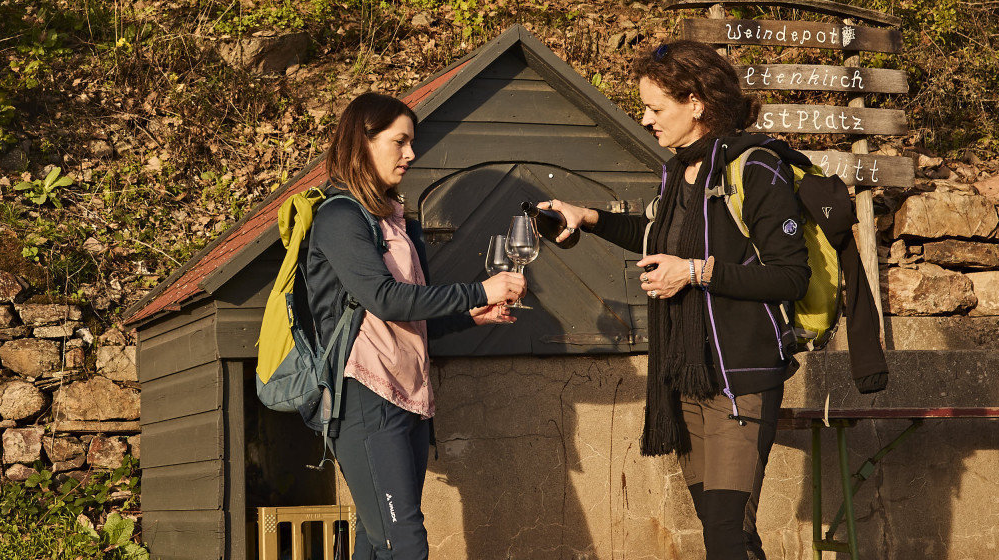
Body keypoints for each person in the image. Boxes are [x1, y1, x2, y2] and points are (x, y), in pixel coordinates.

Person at [537, 40, 812, 559]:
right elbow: (655, 236)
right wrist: (587, 217)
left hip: (740, 378)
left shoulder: (755, 169)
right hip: (687, 373)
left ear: (697, 103)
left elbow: (789, 277)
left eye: (656, 108)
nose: (645, 120)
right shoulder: (679, 171)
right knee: (721, 529)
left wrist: (694, 272)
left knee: (727, 535)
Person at [305, 91, 526, 560]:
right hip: (365, 395)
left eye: (412, 143)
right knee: (402, 542)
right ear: (363, 141)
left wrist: (469, 314)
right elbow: (384, 299)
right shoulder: (340, 216)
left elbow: (411, 318)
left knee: (375, 537)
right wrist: (479, 291)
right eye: (400, 141)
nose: (411, 154)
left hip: (407, 397)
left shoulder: (393, 221)